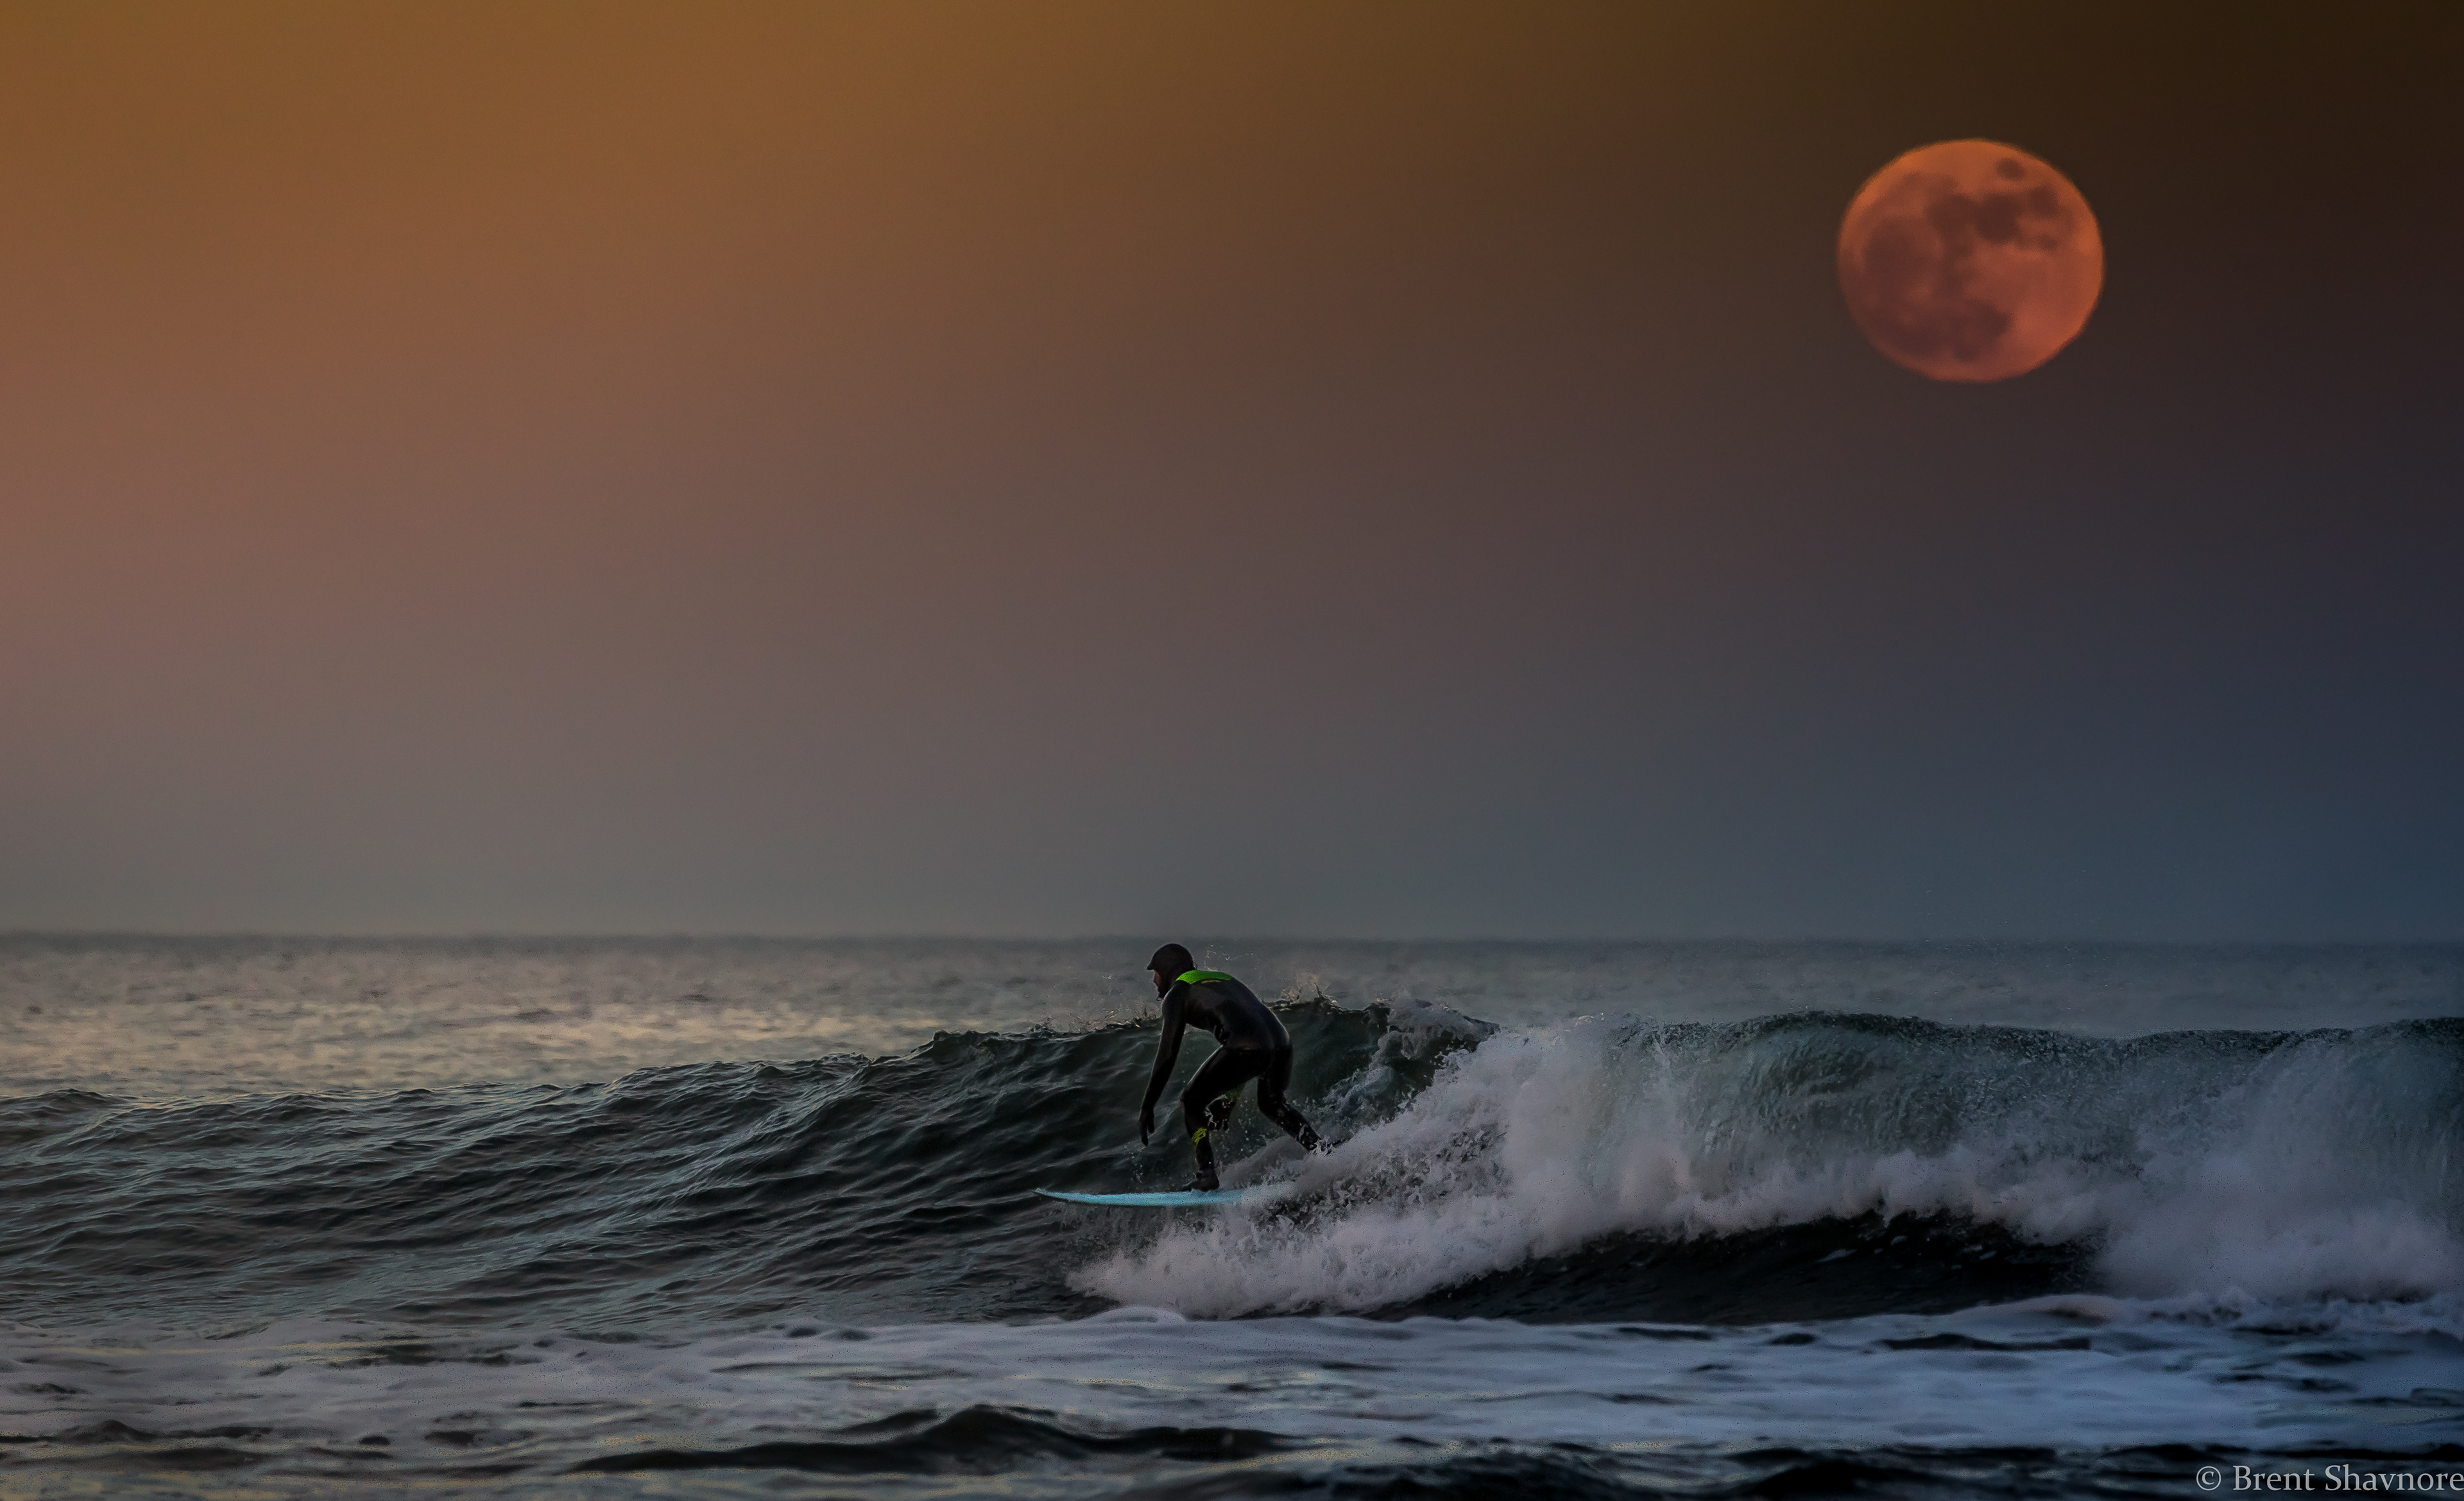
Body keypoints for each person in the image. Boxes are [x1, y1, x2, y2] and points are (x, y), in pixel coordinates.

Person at [1136, 943, 1322, 1191]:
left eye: (1155, 973)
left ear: (1167, 969)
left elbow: (1168, 1053)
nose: (1154, 980)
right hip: (1281, 1043)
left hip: (1248, 1046)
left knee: (1192, 1101)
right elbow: (1250, 1038)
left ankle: (1206, 1174)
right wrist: (1230, 1099)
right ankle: (1322, 1151)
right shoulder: (1221, 979)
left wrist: (1148, 1104)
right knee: (1271, 1104)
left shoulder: (1178, 994)